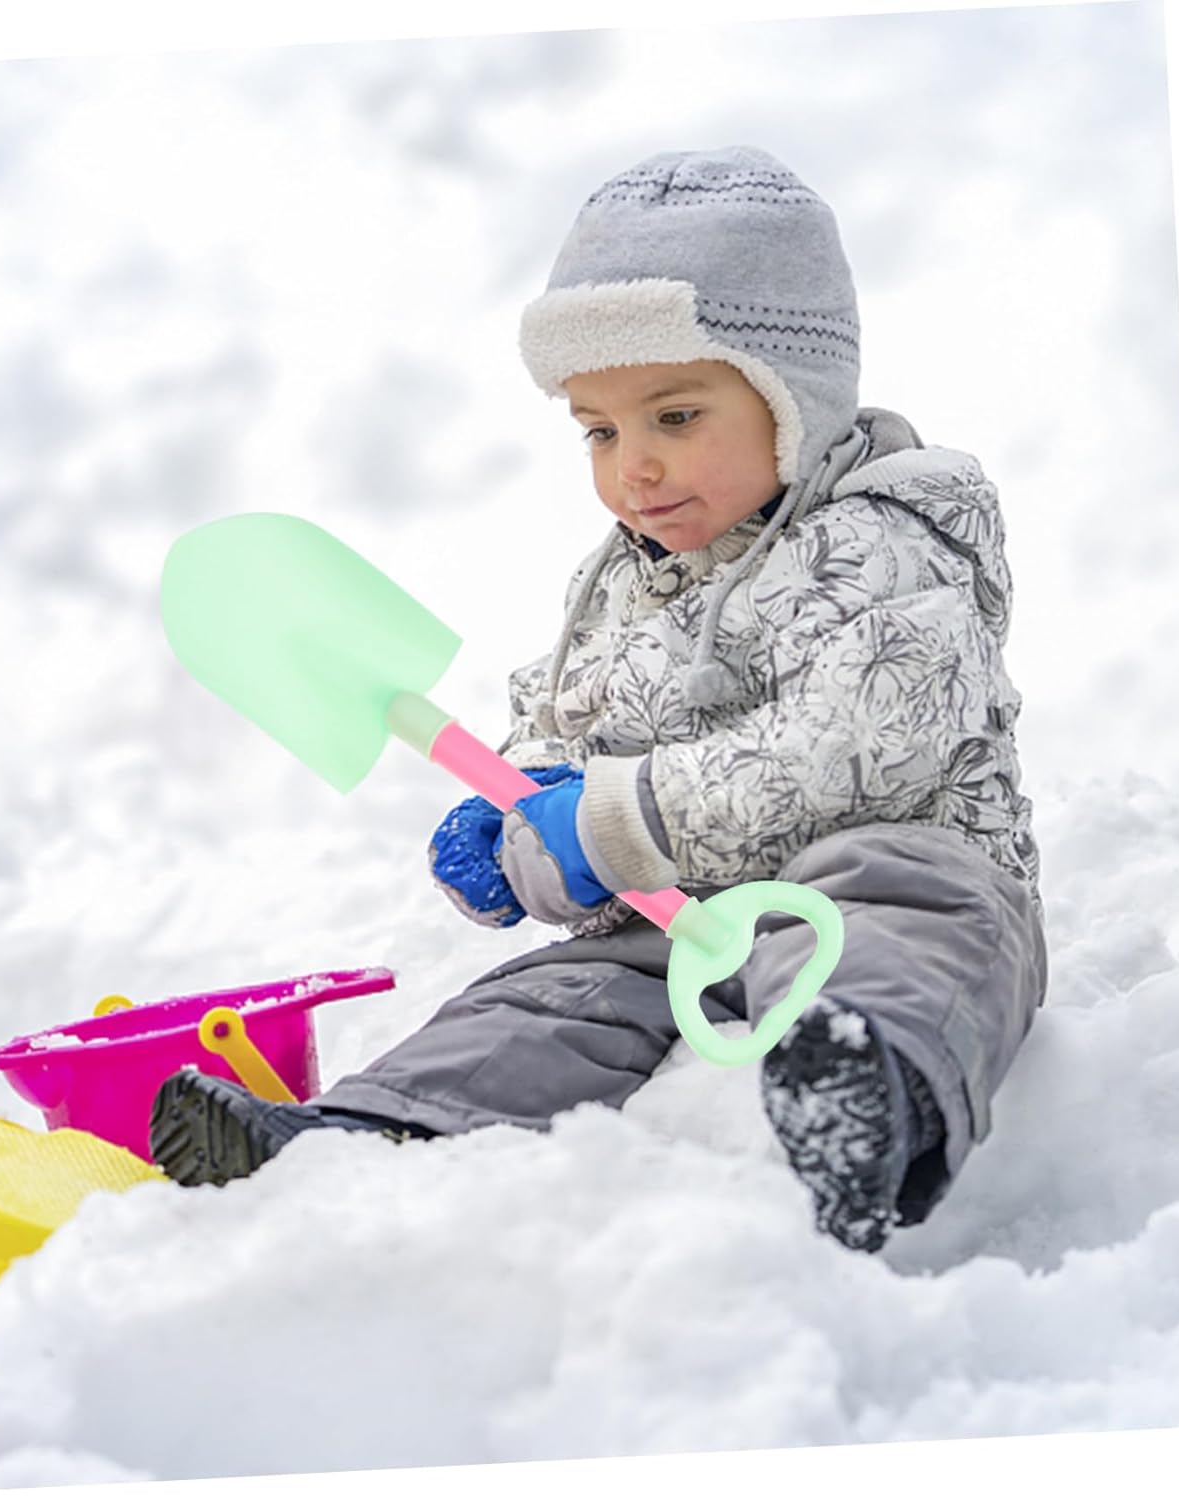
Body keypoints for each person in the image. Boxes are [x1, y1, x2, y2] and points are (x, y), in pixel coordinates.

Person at [149, 145, 1047, 1254]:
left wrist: (617, 820)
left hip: (882, 875)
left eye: (675, 417)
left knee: (913, 930)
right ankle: (359, 1138)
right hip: (675, 918)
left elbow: (855, 749)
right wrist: (522, 823)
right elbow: (566, 733)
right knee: (543, 1000)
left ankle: (869, 1095)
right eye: (600, 430)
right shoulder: (621, 579)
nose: (635, 469)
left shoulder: (888, 540)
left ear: (795, 400)